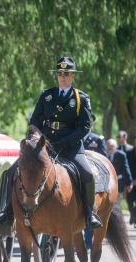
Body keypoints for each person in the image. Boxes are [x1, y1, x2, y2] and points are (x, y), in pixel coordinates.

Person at [28, 56, 102, 228]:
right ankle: (9, 212)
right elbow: (34, 121)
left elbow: (85, 127)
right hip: (45, 145)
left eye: (67, 73)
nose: (63, 76)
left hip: (71, 146)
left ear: (73, 76)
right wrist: (36, 137)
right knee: (20, 167)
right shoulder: (47, 95)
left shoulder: (80, 98)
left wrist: (65, 141)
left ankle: (90, 213)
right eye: (60, 73)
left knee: (87, 173)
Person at [106, 139, 133, 211]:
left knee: (117, 203)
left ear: (115, 147)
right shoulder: (103, 154)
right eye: (109, 147)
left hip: (118, 182)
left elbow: (126, 168)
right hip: (106, 183)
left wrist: (129, 183)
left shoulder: (121, 155)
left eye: (112, 146)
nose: (110, 148)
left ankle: (118, 218)